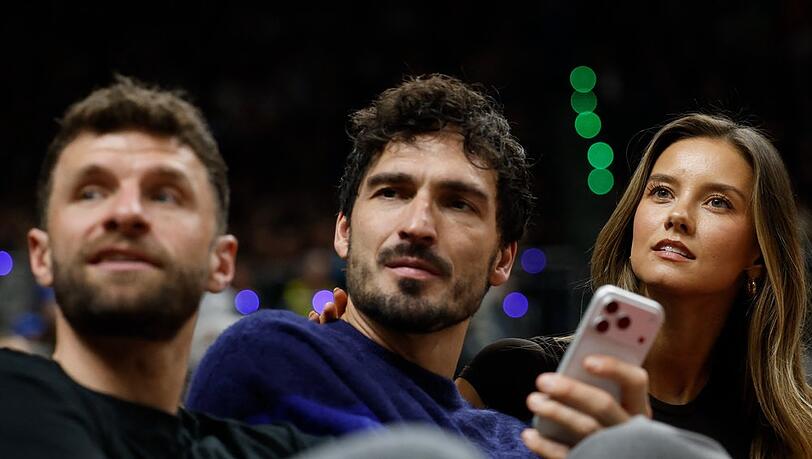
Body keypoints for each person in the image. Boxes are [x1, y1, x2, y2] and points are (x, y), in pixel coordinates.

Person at [186, 74, 538, 457]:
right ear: (344, 232)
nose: (417, 226)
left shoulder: (520, 443)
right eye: (391, 193)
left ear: (502, 259)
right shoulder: (277, 359)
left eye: (458, 203)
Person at [456, 114, 812, 458]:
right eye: (661, 192)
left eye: (717, 202)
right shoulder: (511, 375)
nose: (678, 216)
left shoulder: (790, 432)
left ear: (758, 256)